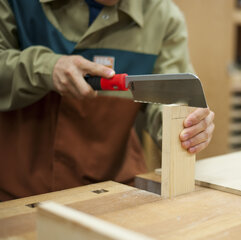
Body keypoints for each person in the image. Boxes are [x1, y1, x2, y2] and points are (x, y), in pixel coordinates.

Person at [0, 0, 215, 201]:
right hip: (18, 190)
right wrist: (45, 68)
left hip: (113, 188)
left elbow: (176, 102)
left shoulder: (163, 16)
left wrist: (190, 127)